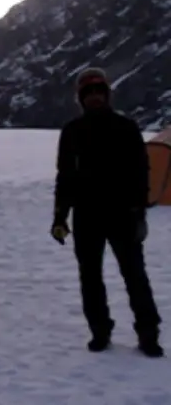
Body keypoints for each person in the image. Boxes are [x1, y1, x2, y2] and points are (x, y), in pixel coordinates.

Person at [51, 67, 163, 357]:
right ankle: (100, 331)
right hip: (87, 215)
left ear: (106, 94)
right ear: (82, 98)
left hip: (123, 213)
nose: (95, 98)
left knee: (135, 275)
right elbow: (65, 176)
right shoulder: (72, 132)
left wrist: (139, 211)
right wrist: (60, 216)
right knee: (91, 276)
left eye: (99, 92)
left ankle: (148, 333)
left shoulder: (126, 128)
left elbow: (141, 171)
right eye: (90, 94)